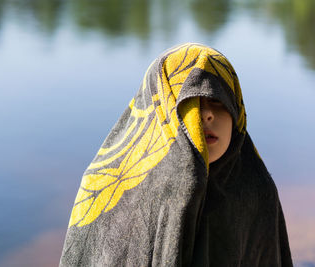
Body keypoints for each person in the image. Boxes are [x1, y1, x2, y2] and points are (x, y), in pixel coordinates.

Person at [60, 43, 293, 266]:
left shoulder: (255, 189)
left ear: (237, 111)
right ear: (160, 113)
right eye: (190, 102)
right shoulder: (109, 188)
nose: (207, 114)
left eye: (217, 100)